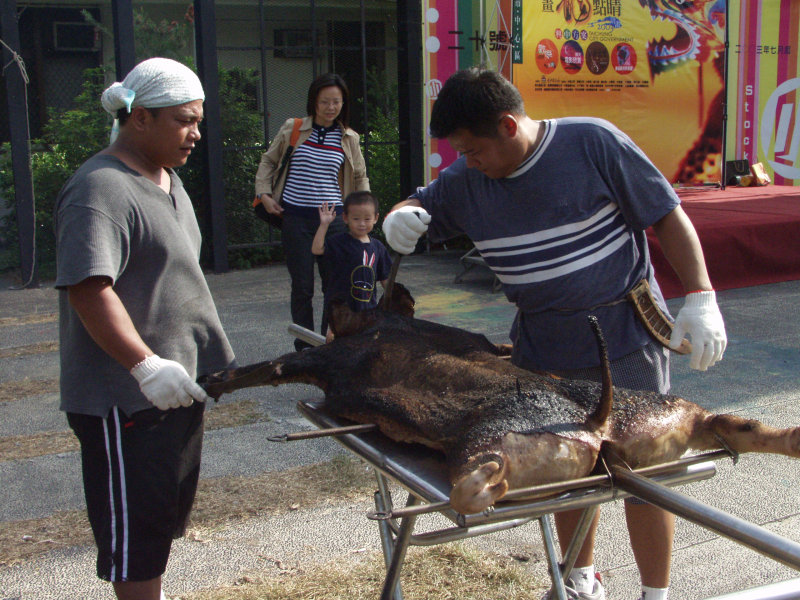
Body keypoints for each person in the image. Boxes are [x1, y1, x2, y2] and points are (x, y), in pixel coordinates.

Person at [382, 67, 727, 600]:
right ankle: (580, 580)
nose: (467, 163)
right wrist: (398, 218)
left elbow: (667, 216)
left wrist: (700, 296)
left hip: (625, 334)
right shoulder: (470, 179)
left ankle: (655, 592)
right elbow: (420, 203)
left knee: (644, 465)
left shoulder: (592, 142)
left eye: (473, 151)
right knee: (564, 465)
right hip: (544, 343)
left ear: (508, 125)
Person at [54, 57, 236, 600]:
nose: (195, 133)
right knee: (134, 540)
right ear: (139, 119)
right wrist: (144, 364)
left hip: (174, 396)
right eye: (183, 120)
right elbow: (89, 288)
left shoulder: (168, 181)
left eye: (198, 120)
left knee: (157, 524)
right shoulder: (101, 190)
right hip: (126, 400)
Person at [254, 73, 370, 350]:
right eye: (325, 102)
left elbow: (361, 176)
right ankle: (305, 345)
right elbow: (268, 162)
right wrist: (264, 195)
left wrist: (363, 213)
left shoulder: (348, 137)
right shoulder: (293, 128)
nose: (331, 108)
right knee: (302, 286)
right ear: (314, 102)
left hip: (334, 223)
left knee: (334, 285)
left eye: (336, 102)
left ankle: (328, 342)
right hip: (296, 219)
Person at [311, 191, 393, 342]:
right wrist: (324, 224)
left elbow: (385, 277)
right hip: (341, 307)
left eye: (367, 219)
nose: (361, 223)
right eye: (356, 219)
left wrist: (394, 300)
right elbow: (317, 249)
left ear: (376, 218)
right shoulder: (339, 242)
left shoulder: (378, 247)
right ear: (345, 218)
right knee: (332, 337)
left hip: (368, 309)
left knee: (367, 341)